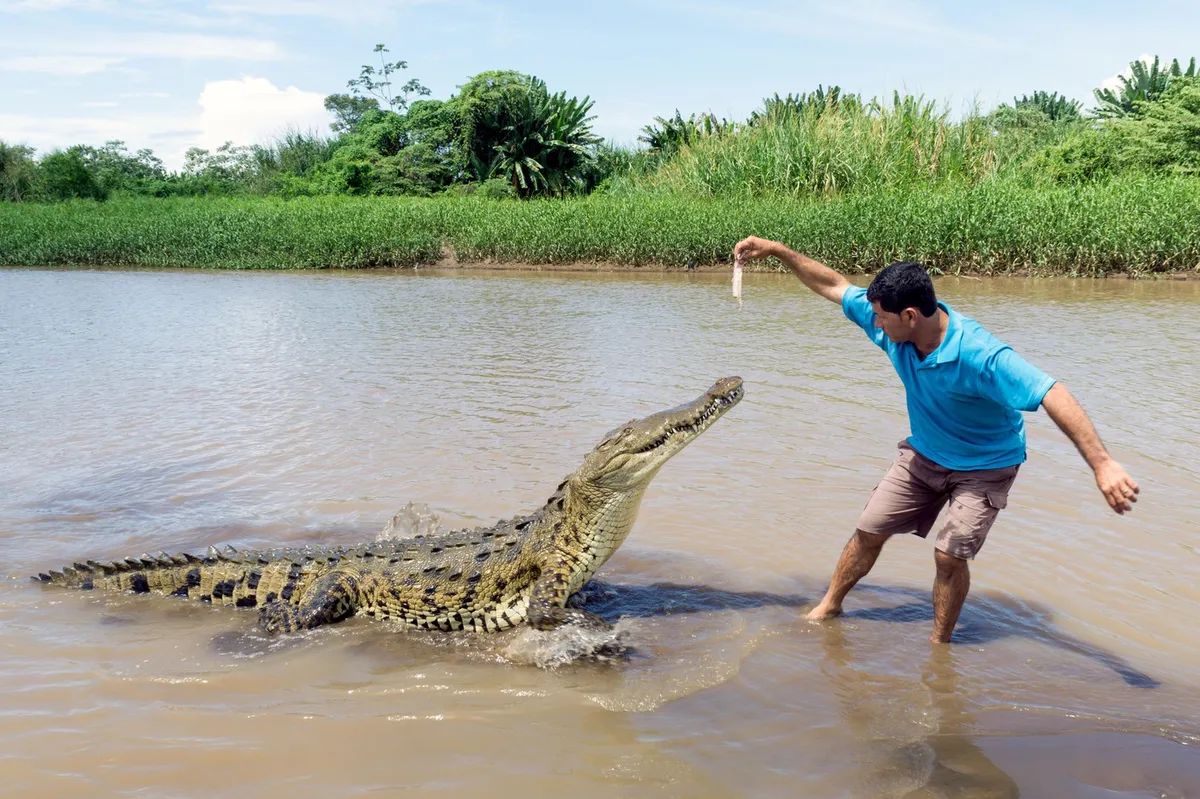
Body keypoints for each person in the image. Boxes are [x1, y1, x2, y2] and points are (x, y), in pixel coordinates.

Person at [732, 236, 1140, 644]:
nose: (874, 324)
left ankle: (939, 645)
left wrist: (1102, 465)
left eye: (881, 318)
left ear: (910, 316)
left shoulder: (980, 354)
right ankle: (831, 603)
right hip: (925, 453)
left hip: (985, 465)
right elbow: (834, 286)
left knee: (949, 556)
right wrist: (780, 252)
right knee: (869, 529)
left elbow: (1053, 392)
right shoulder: (894, 330)